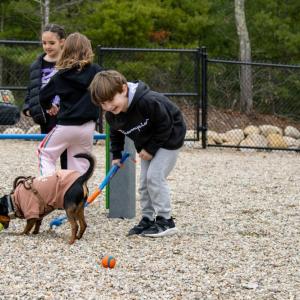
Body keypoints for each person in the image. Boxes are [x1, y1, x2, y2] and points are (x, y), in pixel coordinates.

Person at [89, 70, 187, 237]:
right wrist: (117, 155)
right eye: (103, 104)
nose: (108, 107)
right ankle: (148, 219)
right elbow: (116, 133)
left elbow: (165, 124)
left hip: (170, 136)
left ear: (124, 89)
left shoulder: (147, 101)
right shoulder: (112, 115)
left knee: (154, 177)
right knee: (144, 183)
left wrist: (150, 149)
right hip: (148, 142)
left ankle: (166, 220)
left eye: (111, 101)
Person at [38, 32, 102, 175]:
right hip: (88, 126)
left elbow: (43, 96)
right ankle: (78, 197)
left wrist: (50, 106)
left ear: (65, 50)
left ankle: (50, 189)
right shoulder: (96, 71)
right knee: (79, 164)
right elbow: (106, 87)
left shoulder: (61, 75)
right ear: (88, 50)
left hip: (66, 125)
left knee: (45, 154)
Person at [23, 23, 68, 169]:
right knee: (48, 152)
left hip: (66, 113)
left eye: (51, 43)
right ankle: (49, 184)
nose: (47, 46)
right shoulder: (37, 64)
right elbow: (32, 87)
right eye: (44, 43)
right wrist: (28, 106)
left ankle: (68, 185)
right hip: (45, 114)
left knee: (67, 152)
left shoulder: (69, 63)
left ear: (62, 42)